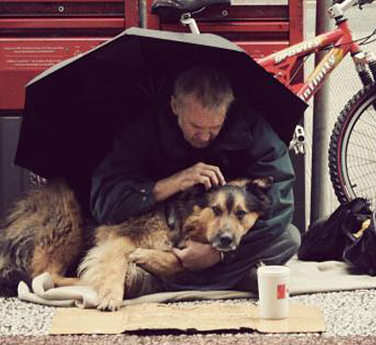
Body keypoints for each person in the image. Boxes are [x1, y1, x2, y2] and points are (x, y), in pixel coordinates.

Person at [90, 65, 300, 291]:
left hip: (225, 237)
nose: (204, 136)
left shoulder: (253, 128)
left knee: (289, 238)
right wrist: (173, 182)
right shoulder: (144, 129)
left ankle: (162, 281)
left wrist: (216, 255)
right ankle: (233, 279)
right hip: (163, 231)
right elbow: (105, 200)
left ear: (227, 112)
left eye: (214, 128)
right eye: (195, 126)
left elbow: (281, 201)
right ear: (175, 106)